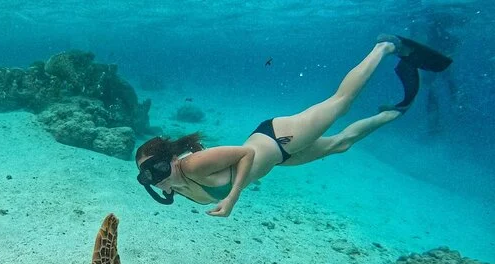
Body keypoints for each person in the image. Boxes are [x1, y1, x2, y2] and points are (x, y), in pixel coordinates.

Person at [135, 35, 452, 217]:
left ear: (171, 159)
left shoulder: (191, 165)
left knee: (340, 104)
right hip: (280, 159)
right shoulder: (176, 184)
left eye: (156, 169)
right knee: (341, 144)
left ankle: (385, 46)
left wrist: (233, 196)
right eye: (146, 176)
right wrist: (169, 186)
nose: (154, 179)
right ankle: (394, 113)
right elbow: (196, 176)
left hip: (277, 138)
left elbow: (246, 155)